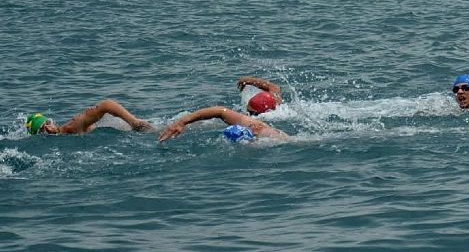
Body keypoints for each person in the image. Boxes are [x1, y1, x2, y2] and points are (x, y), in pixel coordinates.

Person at [158, 106, 288, 142]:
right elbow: (220, 111)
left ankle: (146, 127)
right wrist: (181, 122)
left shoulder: (268, 134)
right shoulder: (253, 125)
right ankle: (147, 127)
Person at [25, 99, 153, 136]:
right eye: (43, 130)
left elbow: (107, 104)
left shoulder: (71, 127)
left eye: (47, 124)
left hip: (138, 130)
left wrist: (134, 123)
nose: (47, 129)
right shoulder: (67, 132)